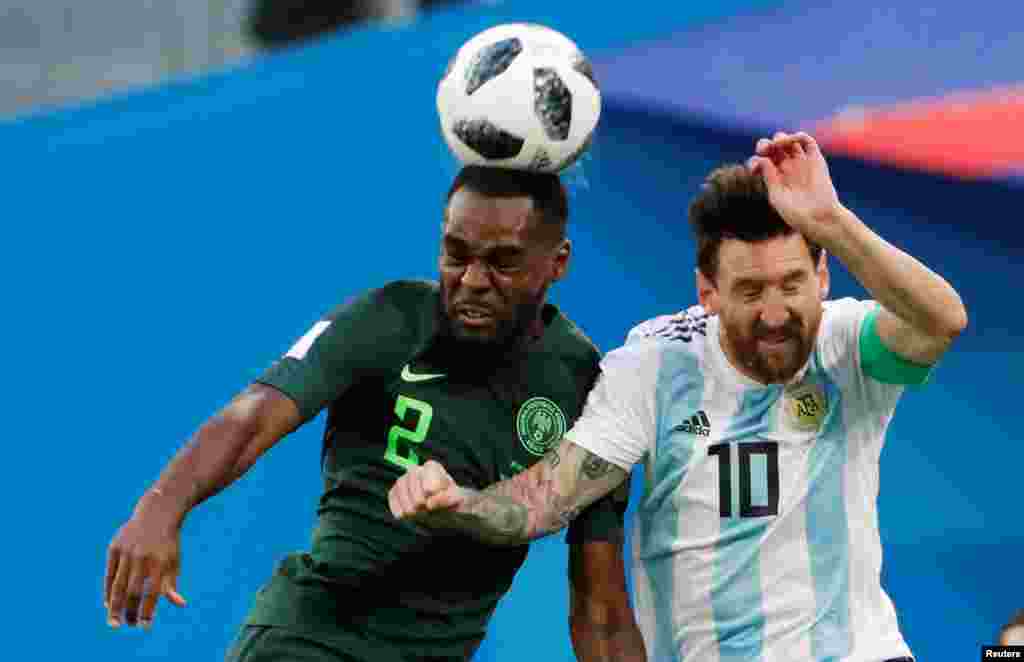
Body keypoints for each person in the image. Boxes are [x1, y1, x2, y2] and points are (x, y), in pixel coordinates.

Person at [389, 132, 968, 662]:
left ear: (822, 278)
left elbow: (942, 321)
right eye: (749, 290)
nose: (774, 314)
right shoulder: (655, 365)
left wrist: (832, 222)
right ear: (707, 292)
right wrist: (460, 502)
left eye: (792, 285)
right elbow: (546, 499)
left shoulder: (846, 344)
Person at [103, 165, 645, 661]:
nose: (474, 280)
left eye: (503, 262)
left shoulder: (585, 386)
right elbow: (252, 416)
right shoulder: (392, 317)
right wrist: (161, 508)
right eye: (456, 255)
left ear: (558, 262)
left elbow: (600, 607)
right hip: (311, 641)